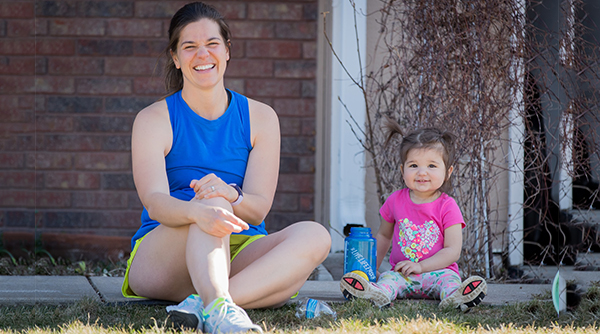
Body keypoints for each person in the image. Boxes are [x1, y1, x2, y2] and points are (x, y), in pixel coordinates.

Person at [121, 2, 332, 333]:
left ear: (227, 51)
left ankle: (211, 303)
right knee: (212, 199)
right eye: (189, 47)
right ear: (176, 58)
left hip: (239, 247)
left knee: (316, 235)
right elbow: (155, 202)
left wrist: (230, 196)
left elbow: (258, 210)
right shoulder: (153, 119)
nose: (202, 55)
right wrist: (201, 211)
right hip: (164, 255)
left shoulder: (261, 117)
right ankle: (231, 300)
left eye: (212, 44)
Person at [340, 126, 487, 312]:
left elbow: (453, 250)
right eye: (414, 165)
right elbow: (384, 236)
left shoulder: (448, 206)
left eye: (432, 165)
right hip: (403, 274)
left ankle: (457, 298)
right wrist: (370, 272)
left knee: (450, 283)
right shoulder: (395, 200)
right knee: (388, 280)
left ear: (448, 172)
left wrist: (421, 266)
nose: (422, 172)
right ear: (403, 170)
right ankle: (375, 294)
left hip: (439, 273)